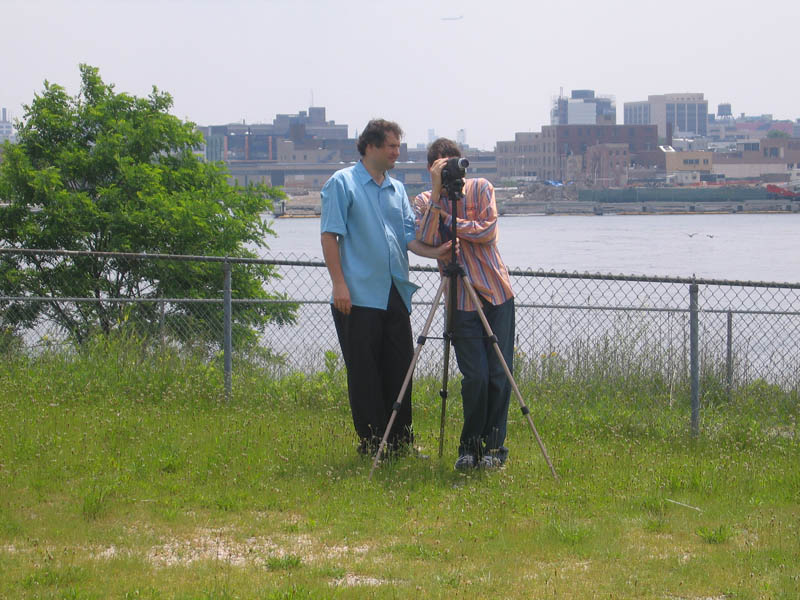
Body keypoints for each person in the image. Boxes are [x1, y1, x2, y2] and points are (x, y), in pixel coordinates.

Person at [320, 119, 451, 457]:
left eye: (398, 146)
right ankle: (373, 443)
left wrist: (438, 252)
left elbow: (409, 240)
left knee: (400, 369)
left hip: (394, 292)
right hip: (357, 295)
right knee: (364, 372)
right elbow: (330, 235)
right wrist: (339, 285)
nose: (397, 152)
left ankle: (401, 442)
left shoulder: (396, 190)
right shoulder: (342, 183)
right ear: (371, 146)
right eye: (392, 146)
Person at [414, 138, 515, 471]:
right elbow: (427, 240)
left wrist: (451, 225)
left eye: (455, 164)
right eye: (444, 167)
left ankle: (494, 449)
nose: (453, 172)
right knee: (475, 378)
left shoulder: (482, 187)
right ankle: (468, 448)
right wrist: (437, 194)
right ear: (433, 168)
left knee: (499, 375)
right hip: (459, 299)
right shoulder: (425, 200)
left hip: (495, 292)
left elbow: (488, 231)